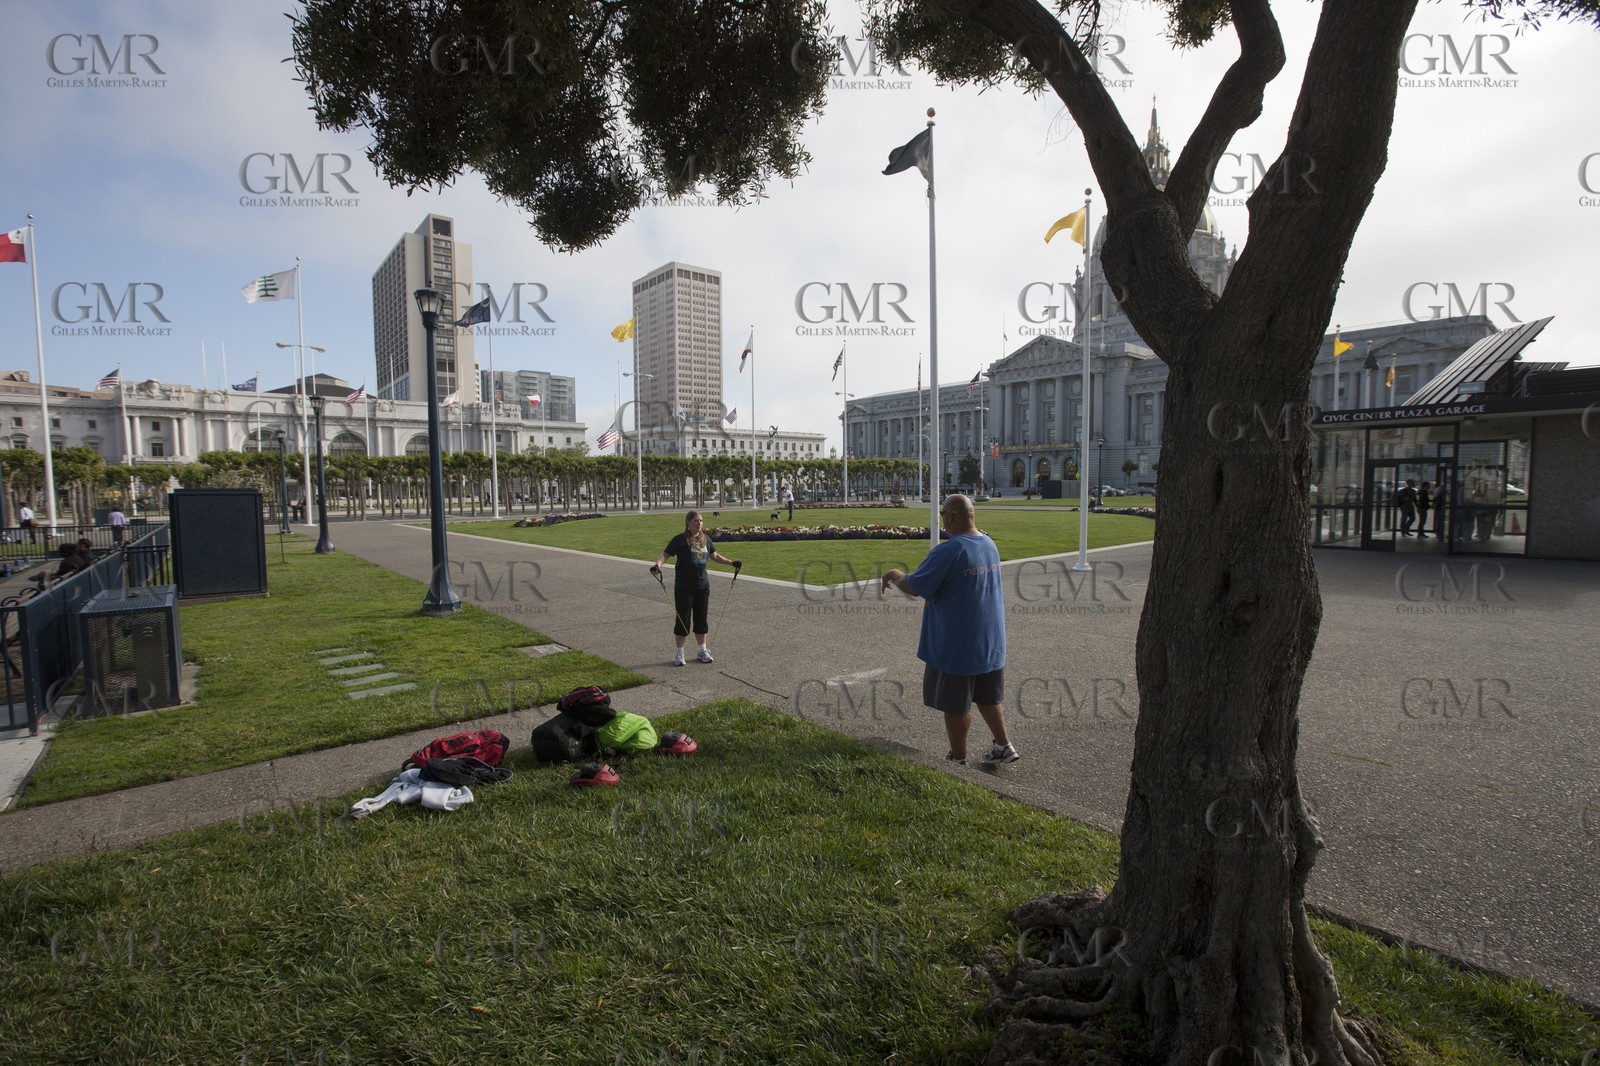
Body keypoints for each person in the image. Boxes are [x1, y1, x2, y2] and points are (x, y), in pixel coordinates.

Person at [880, 494, 1019, 766]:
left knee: (956, 705)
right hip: (989, 640)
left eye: (943, 514)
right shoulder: (988, 543)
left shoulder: (950, 550)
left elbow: (915, 586)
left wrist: (894, 574)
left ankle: (958, 760)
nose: (942, 520)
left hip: (958, 644)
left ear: (951, 516)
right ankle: (1003, 746)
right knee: (988, 697)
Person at [651, 510, 739, 666]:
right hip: (684, 587)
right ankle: (679, 653)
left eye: (701, 521)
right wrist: (657, 565)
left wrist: (732, 563)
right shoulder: (680, 540)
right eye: (696, 521)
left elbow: (715, 556)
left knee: (701, 620)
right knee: (683, 620)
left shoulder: (706, 539)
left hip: (702, 587)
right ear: (688, 522)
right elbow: (665, 555)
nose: (699, 523)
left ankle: (702, 651)